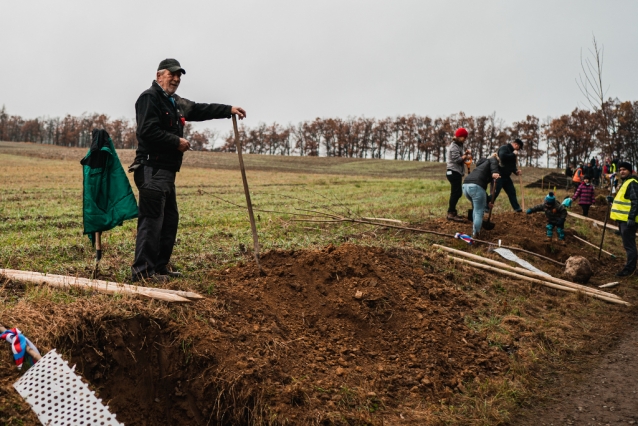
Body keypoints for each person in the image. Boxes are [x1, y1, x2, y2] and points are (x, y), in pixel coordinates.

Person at [130, 58, 246, 282]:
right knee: (152, 221)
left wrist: (228, 109)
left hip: (166, 171)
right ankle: (142, 273)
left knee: (169, 220)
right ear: (159, 76)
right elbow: (147, 131)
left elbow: (199, 109)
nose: (176, 79)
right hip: (151, 168)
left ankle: (160, 267)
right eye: (171, 74)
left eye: (179, 75)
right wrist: (176, 142)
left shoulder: (173, 101)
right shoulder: (150, 98)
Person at [610, 162, 638, 277]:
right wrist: (611, 200)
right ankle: (630, 267)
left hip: (628, 221)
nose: (622, 171)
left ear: (630, 171)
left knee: (629, 246)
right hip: (623, 220)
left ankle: (629, 270)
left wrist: (631, 217)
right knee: (628, 245)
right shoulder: (625, 183)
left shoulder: (632, 183)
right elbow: (624, 201)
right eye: (620, 169)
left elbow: (636, 201)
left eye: (624, 169)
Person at [462, 157, 500, 237]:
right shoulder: (492, 160)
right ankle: (476, 235)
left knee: (476, 210)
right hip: (476, 187)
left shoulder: (481, 166)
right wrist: (495, 172)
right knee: (479, 212)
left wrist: (488, 201)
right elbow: (493, 159)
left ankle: (475, 230)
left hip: (465, 186)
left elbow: (481, 191)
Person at [489, 138, 523, 212]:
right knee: (495, 192)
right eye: (519, 148)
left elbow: (512, 165)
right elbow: (503, 157)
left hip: (507, 177)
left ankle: (517, 208)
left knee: (512, 192)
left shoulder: (512, 153)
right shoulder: (504, 148)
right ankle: (486, 207)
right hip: (499, 175)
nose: (518, 150)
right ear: (516, 144)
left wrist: (516, 171)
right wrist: (513, 154)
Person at [445, 127, 471, 222]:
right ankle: (451, 213)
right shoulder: (454, 146)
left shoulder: (458, 145)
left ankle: (452, 211)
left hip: (456, 172)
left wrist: (465, 154)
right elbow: (457, 159)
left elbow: (460, 157)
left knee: (457, 193)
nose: (465, 139)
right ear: (460, 136)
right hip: (453, 171)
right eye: (464, 137)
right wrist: (465, 155)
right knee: (456, 193)